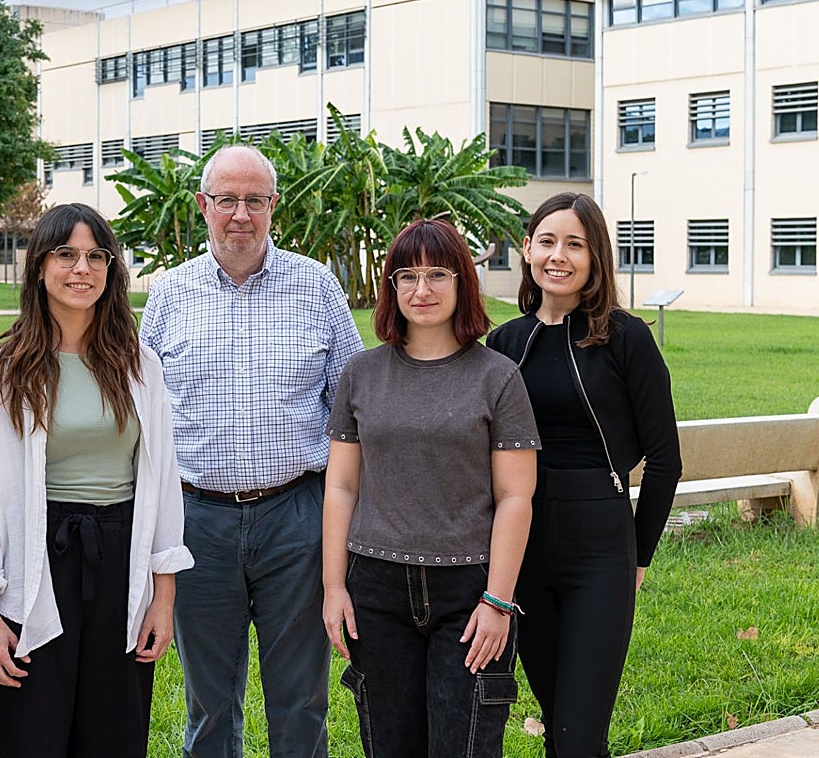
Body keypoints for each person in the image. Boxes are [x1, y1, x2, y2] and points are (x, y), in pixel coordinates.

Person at [140, 144, 363, 758]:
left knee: (301, 699)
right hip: (198, 521)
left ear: (273, 206)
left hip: (298, 519)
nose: (240, 214)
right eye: (227, 200)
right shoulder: (169, 294)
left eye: (254, 201)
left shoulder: (317, 286)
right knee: (209, 703)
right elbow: (142, 412)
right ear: (203, 205)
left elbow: (352, 410)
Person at [0, 202, 193, 757]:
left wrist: (163, 597)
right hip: (35, 559)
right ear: (39, 267)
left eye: (95, 256)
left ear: (110, 270)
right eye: (65, 254)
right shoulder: (5, 372)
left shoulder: (139, 366)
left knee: (111, 733)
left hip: (119, 559)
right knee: (24, 730)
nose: (81, 268)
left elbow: (162, 482)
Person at [321, 218, 539, 758]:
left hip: (470, 591)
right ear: (392, 287)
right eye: (408, 276)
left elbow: (516, 497)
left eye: (438, 274)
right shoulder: (361, 373)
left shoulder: (498, 377)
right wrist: (333, 587)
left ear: (463, 281)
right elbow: (342, 486)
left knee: (464, 747)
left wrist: (498, 601)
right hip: (376, 589)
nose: (422, 289)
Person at [487, 192, 682, 758]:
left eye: (575, 244)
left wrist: (638, 558)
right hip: (524, 550)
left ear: (596, 256)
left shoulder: (626, 338)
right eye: (547, 241)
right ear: (527, 249)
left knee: (578, 735)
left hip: (600, 549)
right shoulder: (505, 343)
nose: (559, 256)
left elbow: (665, 460)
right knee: (558, 723)